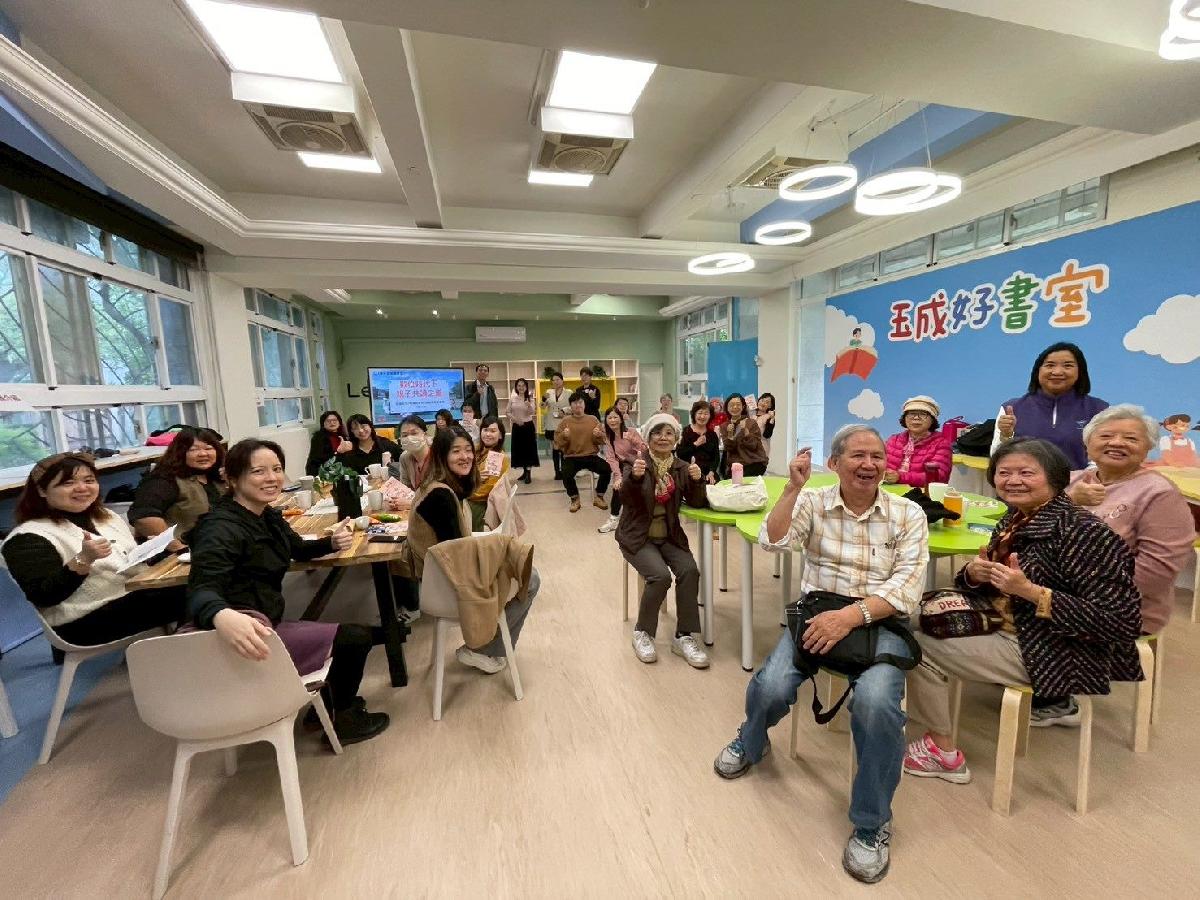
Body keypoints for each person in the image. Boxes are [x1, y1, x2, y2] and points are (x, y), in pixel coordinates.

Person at [713, 426, 929, 885]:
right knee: (770, 686)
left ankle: (871, 823)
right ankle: (751, 739)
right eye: (857, 456)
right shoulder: (813, 501)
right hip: (817, 613)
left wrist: (851, 617)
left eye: (877, 456)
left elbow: (907, 587)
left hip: (880, 620)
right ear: (834, 464)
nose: (869, 464)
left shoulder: (908, 512)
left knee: (876, 705)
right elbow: (773, 541)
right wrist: (792, 489)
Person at [903, 438, 1141, 779]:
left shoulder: (1085, 533)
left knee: (914, 645)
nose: (1013, 481)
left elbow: (1120, 622)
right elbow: (992, 583)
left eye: (1026, 473)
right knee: (900, 616)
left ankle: (942, 752)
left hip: (1056, 648)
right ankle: (895, 705)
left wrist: (1031, 592)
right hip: (1008, 623)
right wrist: (973, 574)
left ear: (1055, 478)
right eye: (1004, 473)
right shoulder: (1017, 518)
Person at [188, 439, 389, 744]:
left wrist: (330, 543)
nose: (271, 478)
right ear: (233, 478)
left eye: (277, 469)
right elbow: (201, 588)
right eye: (258, 471)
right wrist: (221, 614)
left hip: (265, 619)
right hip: (243, 634)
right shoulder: (221, 527)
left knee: (352, 635)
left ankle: (327, 708)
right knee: (356, 638)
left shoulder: (265, 514)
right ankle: (344, 721)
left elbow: (296, 548)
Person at [2, 452, 187, 647]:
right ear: (41, 490)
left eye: (89, 480)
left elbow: (125, 562)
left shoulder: (105, 516)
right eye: (68, 483)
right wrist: (83, 559)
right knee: (196, 590)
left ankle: (185, 646)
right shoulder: (27, 537)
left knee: (201, 579)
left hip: (128, 597)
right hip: (83, 620)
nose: (82, 488)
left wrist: (156, 549)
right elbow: (44, 596)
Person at [396, 424, 538, 671]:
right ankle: (482, 649)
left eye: (468, 450)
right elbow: (458, 560)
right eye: (456, 451)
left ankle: (486, 647)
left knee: (518, 562)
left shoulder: (439, 485)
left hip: (436, 580)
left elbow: (457, 547)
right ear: (441, 455)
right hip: (446, 587)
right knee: (531, 578)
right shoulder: (441, 497)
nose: (465, 457)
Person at [1064, 405, 1194, 637]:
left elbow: (1155, 572)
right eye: (1106, 436)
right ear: (1087, 443)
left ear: (1148, 448)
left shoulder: (1159, 494)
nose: (1117, 443)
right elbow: (1027, 527)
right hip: (1052, 594)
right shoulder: (1070, 481)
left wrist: (1068, 598)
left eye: (1131, 438)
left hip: (1116, 611)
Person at [619, 414, 710, 668]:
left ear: (676, 438)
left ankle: (684, 636)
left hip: (669, 536)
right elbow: (624, 499)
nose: (663, 438)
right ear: (648, 438)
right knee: (660, 576)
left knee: (690, 571)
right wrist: (634, 478)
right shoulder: (635, 463)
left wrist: (697, 480)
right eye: (657, 433)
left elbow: (696, 502)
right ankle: (643, 632)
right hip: (638, 536)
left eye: (669, 433)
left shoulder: (681, 467)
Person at [992, 341, 1108, 469]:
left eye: (1067, 366)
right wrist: (1006, 435)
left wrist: (1081, 479)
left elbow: (1102, 459)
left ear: (1080, 371)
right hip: (1024, 480)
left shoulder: (1099, 410)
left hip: (1080, 481)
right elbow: (996, 456)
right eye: (1050, 365)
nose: (1057, 372)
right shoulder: (1012, 408)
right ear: (1038, 370)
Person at [129, 427, 226, 549]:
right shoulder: (164, 480)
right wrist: (177, 548)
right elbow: (143, 517)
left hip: (219, 546)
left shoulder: (220, 476)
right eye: (193, 449)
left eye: (208, 448)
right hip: (183, 551)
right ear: (180, 452)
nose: (203, 454)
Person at [553, 391, 611, 514]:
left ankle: (599, 496)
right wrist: (564, 435)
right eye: (575, 403)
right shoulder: (565, 421)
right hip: (571, 456)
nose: (578, 405)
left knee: (606, 469)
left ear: (584, 404)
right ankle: (575, 499)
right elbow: (557, 442)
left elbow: (602, 440)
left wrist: (598, 435)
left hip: (591, 455)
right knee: (566, 473)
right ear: (570, 406)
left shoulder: (593, 419)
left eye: (580, 402)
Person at [883, 395, 952, 489]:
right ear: (905, 418)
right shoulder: (893, 440)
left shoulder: (941, 444)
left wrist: (900, 477)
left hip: (922, 493)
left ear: (932, 419)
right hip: (888, 489)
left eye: (923, 414)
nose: (916, 418)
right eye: (911, 413)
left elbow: (938, 477)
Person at [598, 405, 646, 534]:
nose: (613, 420)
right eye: (610, 418)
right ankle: (614, 519)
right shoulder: (608, 436)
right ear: (606, 420)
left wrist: (633, 440)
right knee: (618, 486)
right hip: (622, 465)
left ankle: (638, 519)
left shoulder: (631, 431)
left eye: (615, 417)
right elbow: (611, 458)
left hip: (638, 464)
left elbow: (644, 450)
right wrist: (617, 477)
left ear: (620, 419)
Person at [467, 415, 511, 531]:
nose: (488, 434)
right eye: (485, 430)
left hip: (479, 505)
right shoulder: (477, 450)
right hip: (469, 497)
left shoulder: (496, 457)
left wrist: (463, 491)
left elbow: (484, 491)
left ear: (500, 435)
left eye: (493, 431)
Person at [720, 392, 768, 478]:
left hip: (754, 462)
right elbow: (729, 448)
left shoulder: (751, 423)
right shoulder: (724, 426)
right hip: (736, 464)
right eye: (732, 405)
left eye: (738, 404)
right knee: (731, 481)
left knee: (741, 480)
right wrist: (730, 435)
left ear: (743, 407)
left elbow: (754, 445)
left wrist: (746, 432)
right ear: (727, 408)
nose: (735, 407)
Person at [677, 399, 720, 484]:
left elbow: (716, 457)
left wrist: (712, 472)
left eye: (706, 414)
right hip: (689, 472)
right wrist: (696, 444)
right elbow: (680, 453)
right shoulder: (685, 431)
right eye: (700, 413)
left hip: (708, 474)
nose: (702, 416)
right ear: (694, 414)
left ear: (710, 416)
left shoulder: (712, 434)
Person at [508, 377, 539, 484]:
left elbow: (532, 412)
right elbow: (507, 412)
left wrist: (529, 405)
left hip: (528, 426)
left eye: (523, 385)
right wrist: (515, 419)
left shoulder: (530, 399)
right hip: (517, 426)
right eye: (519, 385)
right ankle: (524, 472)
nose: (521, 387)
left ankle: (528, 473)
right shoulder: (513, 399)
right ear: (516, 387)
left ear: (526, 387)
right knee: (520, 449)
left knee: (528, 449)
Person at [389, 414, 432, 492]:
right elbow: (406, 487)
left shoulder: (438, 455)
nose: (409, 438)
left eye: (414, 433)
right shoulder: (404, 458)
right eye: (404, 435)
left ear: (425, 434)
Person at [541, 371, 571, 480]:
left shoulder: (569, 392)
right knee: (555, 447)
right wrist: (543, 400)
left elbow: (572, 406)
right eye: (553, 380)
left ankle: (564, 470)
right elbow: (543, 407)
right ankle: (557, 472)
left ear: (562, 380)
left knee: (563, 448)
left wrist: (564, 410)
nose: (555, 382)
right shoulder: (548, 392)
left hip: (563, 423)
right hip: (551, 423)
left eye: (558, 379)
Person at [306, 410, 352, 476]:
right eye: (328, 421)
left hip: (339, 470)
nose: (332, 423)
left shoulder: (342, 436)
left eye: (334, 420)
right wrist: (338, 453)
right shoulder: (318, 437)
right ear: (323, 424)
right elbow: (320, 458)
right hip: (322, 472)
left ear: (339, 422)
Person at [755, 392, 777, 458]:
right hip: (748, 450)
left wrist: (772, 418)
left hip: (761, 451)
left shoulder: (769, 417)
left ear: (770, 406)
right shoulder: (751, 414)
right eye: (762, 400)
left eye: (767, 402)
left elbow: (767, 435)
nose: (763, 403)